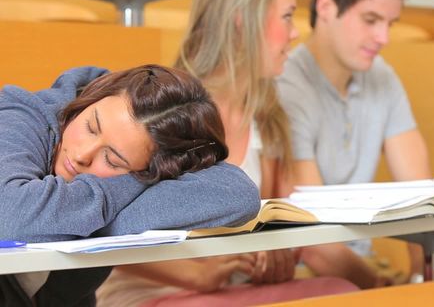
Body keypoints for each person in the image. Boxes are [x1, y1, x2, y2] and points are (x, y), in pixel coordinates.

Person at [97, 0, 358, 306]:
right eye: (287, 16)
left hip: (234, 292)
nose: (296, 33)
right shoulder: (161, 109)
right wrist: (197, 274)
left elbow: (299, 230)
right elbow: (105, 229)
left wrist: (275, 253)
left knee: (342, 293)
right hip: (160, 293)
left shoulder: (269, 116)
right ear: (241, 21)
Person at [0, 64, 260, 306]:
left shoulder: (140, 177)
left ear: (153, 173)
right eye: (91, 126)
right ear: (91, 99)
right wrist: (123, 193)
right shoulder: (20, 115)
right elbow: (13, 220)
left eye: (112, 160)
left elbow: (238, 194)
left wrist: (79, 217)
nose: (82, 155)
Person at [276, 0, 430, 289]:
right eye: (371, 20)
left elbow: (420, 195)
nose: (384, 39)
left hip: (365, 267)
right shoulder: (287, 86)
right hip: (306, 274)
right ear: (326, 7)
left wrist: (423, 279)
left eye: (390, 24)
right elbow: (314, 240)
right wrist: (382, 290)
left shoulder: (383, 76)